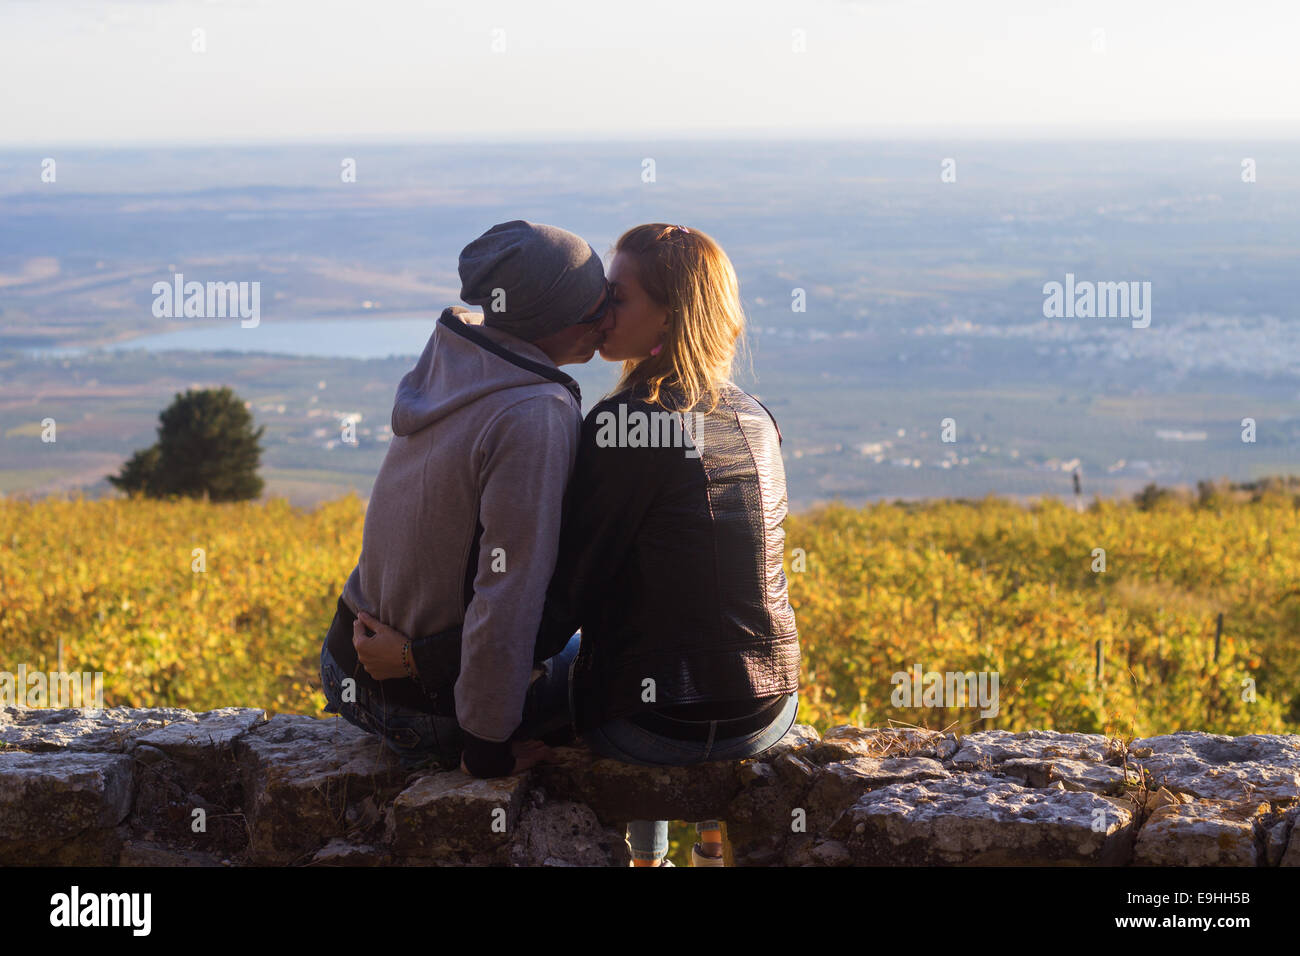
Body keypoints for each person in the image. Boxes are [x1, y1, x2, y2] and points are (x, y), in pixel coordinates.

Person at [532, 222, 802, 866]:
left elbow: (570, 591)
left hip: (659, 725)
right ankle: (684, 849)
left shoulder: (627, 422)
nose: (599, 310)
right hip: (769, 707)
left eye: (617, 298)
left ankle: (640, 858)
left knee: (554, 660)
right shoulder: (754, 415)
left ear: (670, 317)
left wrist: (452, 672)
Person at [318, 220, 611, 777]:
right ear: (553, 321)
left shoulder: (457, 364)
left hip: (344, 665)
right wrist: (486, 749)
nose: (606, 324)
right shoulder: (534, 415)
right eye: (596, 309)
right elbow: (509, 588)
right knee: (609, 667)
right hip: (419, 708)